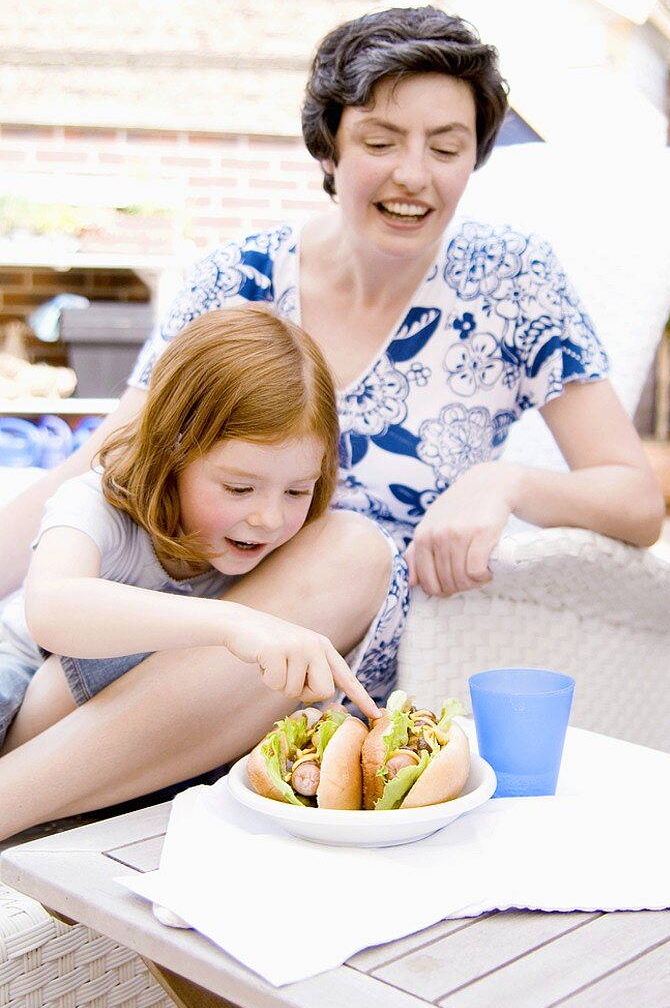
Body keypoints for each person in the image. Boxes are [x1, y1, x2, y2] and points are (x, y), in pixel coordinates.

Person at [0, 5, 663, 839]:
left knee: (350, 545)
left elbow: (635, 500)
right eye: (380, 142)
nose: (412, 175)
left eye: (446, 147)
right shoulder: (239, 274)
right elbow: (102, 465)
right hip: (178, 608)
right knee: (63, 654)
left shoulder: (512, 280)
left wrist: (505, 480)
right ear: (330, 148)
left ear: (474, 158)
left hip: (334, 641)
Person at [0, 306, 387, 758]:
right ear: (173, 451)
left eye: (298, 491)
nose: (270, 518)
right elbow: (51, 608)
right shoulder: (98, 501)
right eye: (239, 488)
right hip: (18, 672)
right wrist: (233, 622)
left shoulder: (280, 548)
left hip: (117, 739)